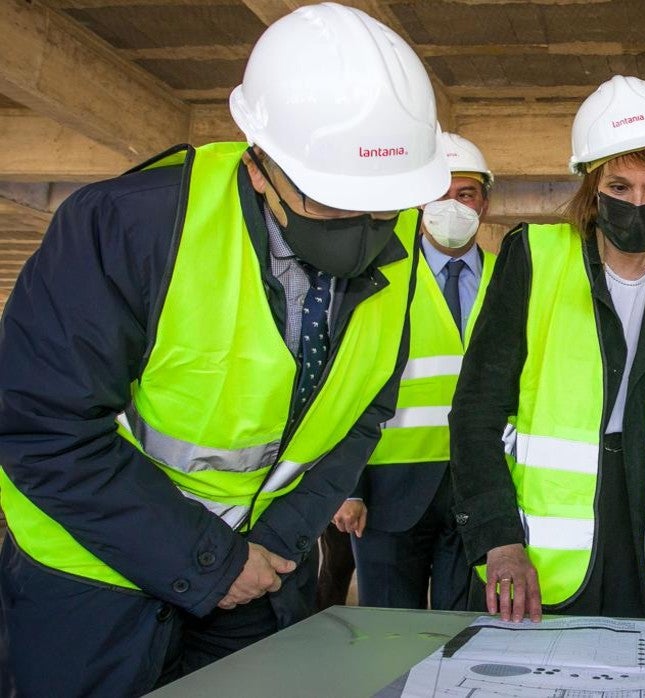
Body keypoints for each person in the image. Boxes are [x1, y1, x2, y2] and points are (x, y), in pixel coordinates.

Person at [0, 4, 449, 695]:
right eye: (335, 205)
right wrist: (211, 560)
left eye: (383, 208)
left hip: (261, 576)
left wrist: (276, 543)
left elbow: (364, 411)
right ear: (261, 166)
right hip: (94, 581)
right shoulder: (129, 227)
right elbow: (41, 425)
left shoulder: (399, 236)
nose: (367, 230)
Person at [449, 75, 645, 626]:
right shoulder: (533, 256)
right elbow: (475, 413)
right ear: (590, 186)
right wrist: (497, 540)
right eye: (620, 187)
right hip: (539, 554)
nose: (638, 204)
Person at [335, 133, 496, 611]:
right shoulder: (379, 281)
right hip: (387, 494)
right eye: (440, 193)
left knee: (462, 631)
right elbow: (347, 386)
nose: (453, 206)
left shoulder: (508, 279)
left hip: (479, 487)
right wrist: (348, 486)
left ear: (484, 203)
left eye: (464, 194)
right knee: (385, 631)